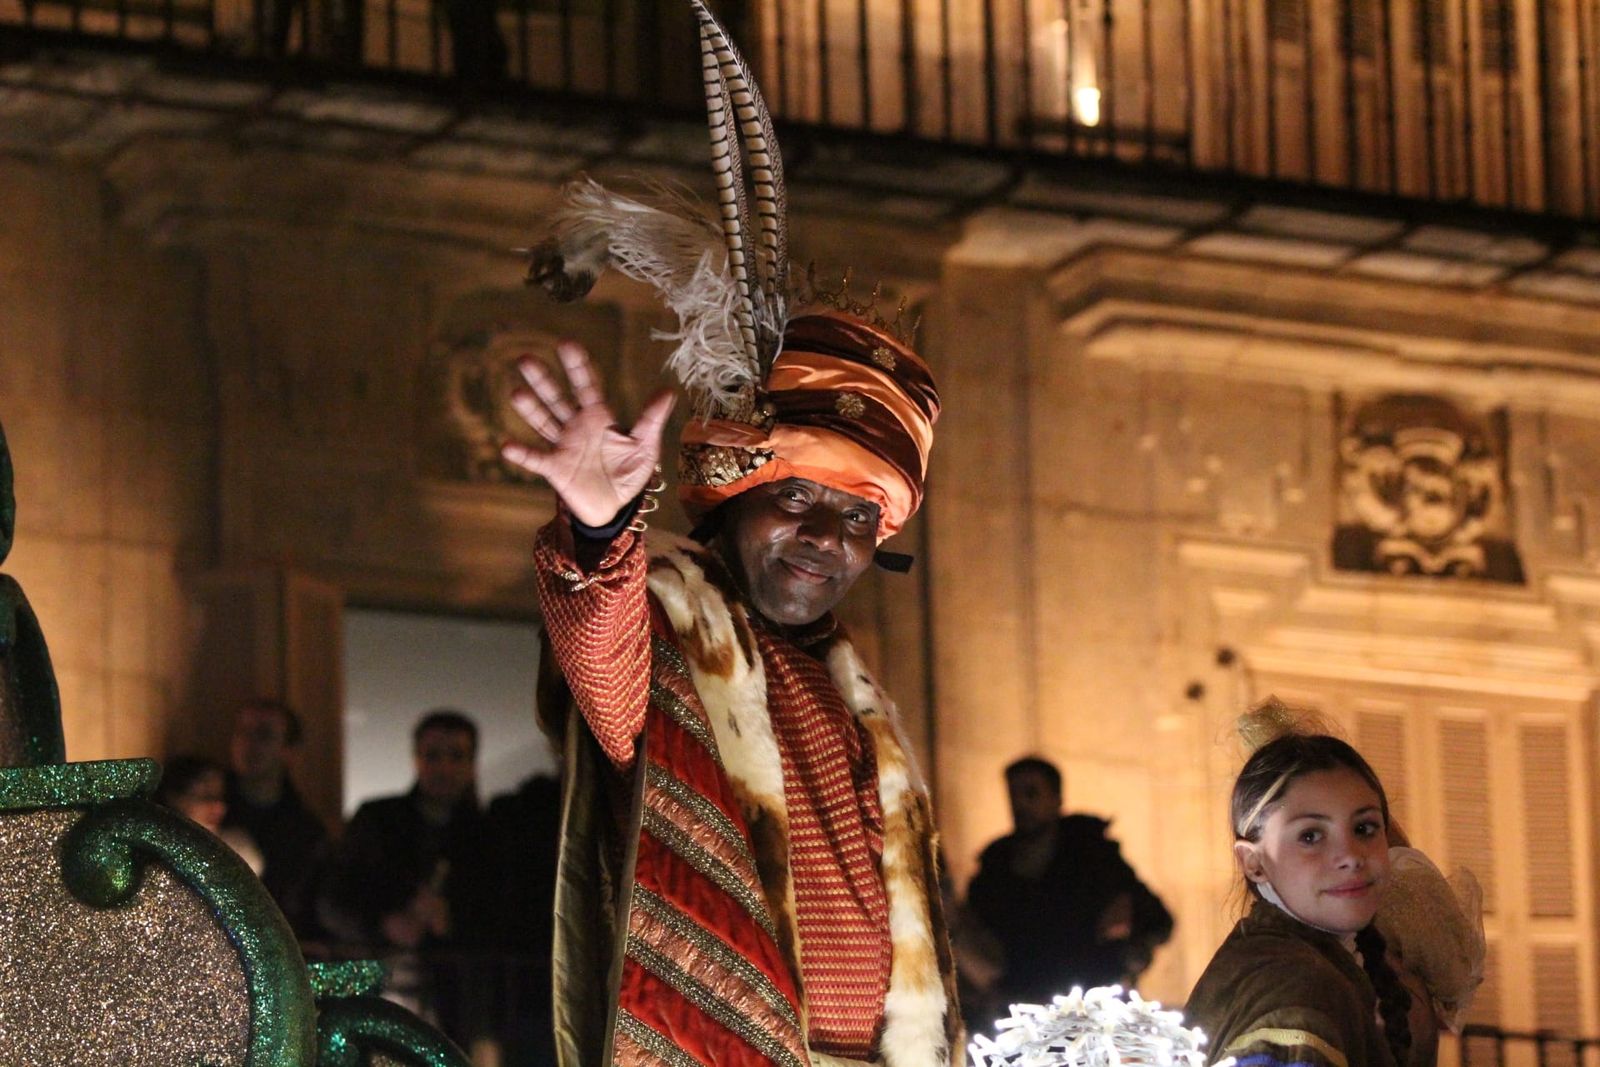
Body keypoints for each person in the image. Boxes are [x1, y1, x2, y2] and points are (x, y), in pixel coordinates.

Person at [502, 9, 958, 1064]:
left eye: (857, 517)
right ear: (731, 497)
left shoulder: (855, 693)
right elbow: (604, 668)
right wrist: (601, 526)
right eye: (798, 497)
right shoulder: (669, 621)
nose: (824, 537)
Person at [1185, 708, 1414, 1067]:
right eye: (1310, 836)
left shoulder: (1297, 967)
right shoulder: (1299, 986)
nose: (1350, 857)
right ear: (1253, 862)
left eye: (1365, 829)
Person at [965, 756, 1172, 1011]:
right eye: (1014, 794)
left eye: (1031, 793)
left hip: (1090, 1008)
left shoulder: (1094, 858)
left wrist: (1130, 938)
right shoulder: (995, 870)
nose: (1021, 804)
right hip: (1022, 1011)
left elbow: (1157, 920)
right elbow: (977, 936)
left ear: (1056, 798)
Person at [222, 698, 328, 937]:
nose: (250, 744)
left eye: (264, 735)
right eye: (243, 733)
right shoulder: (209, 810)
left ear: (289, 752)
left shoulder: (306, 832)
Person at [158, 754, 265, 875]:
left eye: (221, 796)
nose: (219, 806)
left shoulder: (238, 848)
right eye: (206, 796)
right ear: (175, 798)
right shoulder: (157, 850)